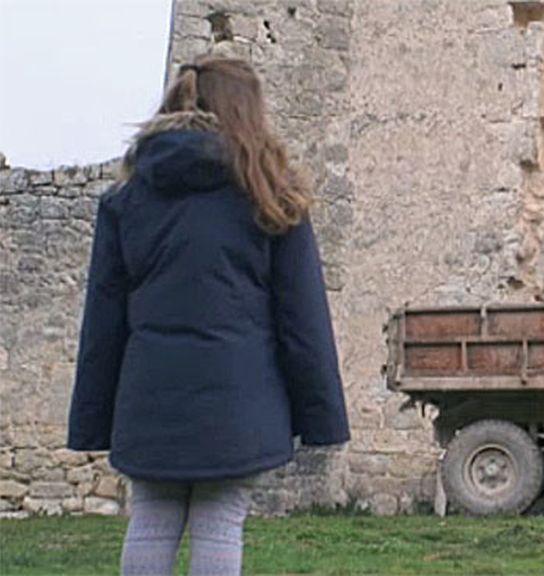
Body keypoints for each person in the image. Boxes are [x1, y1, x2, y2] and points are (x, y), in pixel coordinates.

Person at [67, 56, 349, 576]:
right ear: (248, 111)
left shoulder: (126, 201)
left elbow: (102, 326)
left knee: (150, 519)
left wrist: (92, 418)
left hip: (149, 398)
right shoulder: (272, 198)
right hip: (238, 401)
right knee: (220, 524)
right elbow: (302, 321)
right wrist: (321, 417)